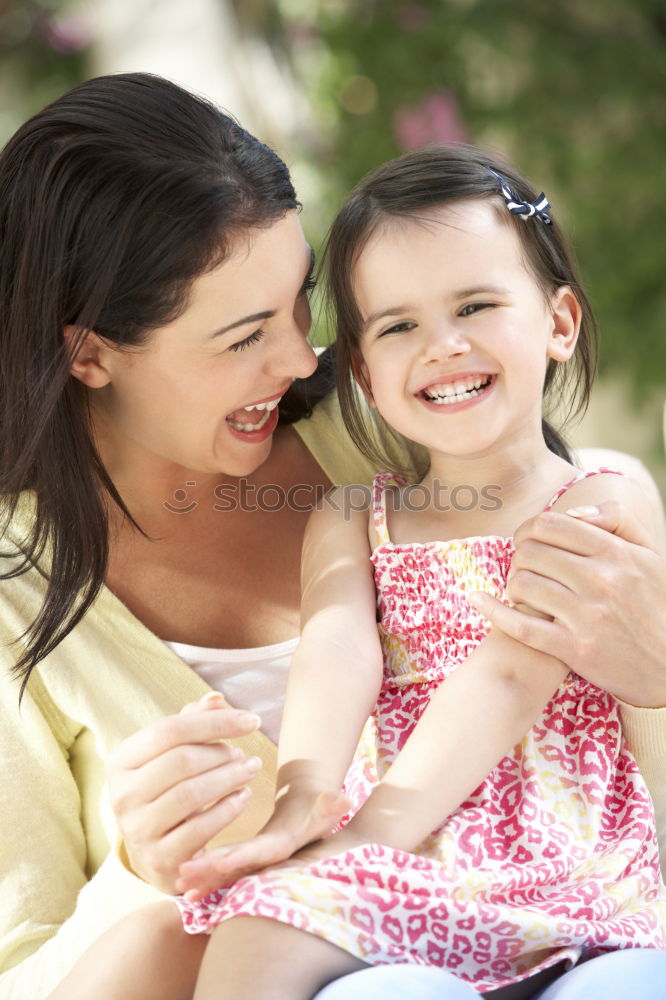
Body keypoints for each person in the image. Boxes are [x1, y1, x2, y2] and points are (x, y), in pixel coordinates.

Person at [0, 75, 662, 1000]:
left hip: (576, 905)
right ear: (91, 354)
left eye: (301, 303)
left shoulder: (409, 427)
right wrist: (139, 872)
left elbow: (566, 673)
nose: (302, 360)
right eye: (242, 338)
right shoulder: (13, 598)